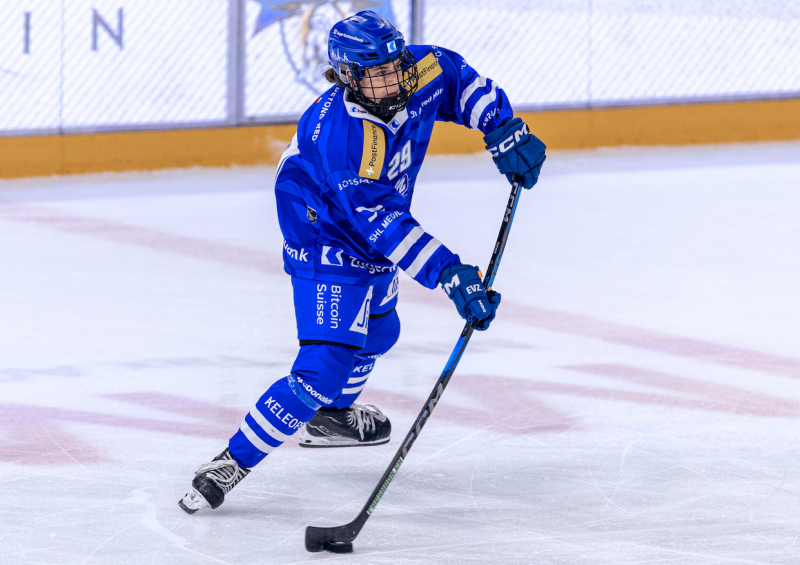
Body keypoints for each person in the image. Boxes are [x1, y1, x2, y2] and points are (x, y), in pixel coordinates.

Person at [179, 10, 546, 515]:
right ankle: (228, 463)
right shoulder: (343, 138)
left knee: (379, 334)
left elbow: (459, 80)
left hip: (371, 221)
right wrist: (450, 274)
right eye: (376, 75)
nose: (393, 79)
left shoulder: (418, 70)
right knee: (324, 366)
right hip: (323, 231)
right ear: (348, 77)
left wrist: (501, 126)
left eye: (395, 66)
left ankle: (329, 420)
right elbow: (381, 224)